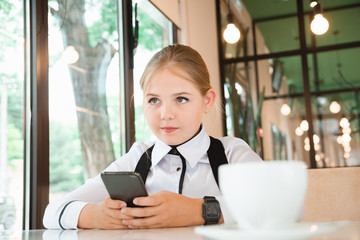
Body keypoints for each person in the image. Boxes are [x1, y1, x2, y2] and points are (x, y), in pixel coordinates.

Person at [43, 44, 262, 230]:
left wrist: (200, 210)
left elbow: (285, 204)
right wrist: (95, 214)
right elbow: (52, 212)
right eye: (154, 100)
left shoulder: (231, 153)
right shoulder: (137, 157)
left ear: (207, 100)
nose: (166, 114)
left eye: (182, 99)